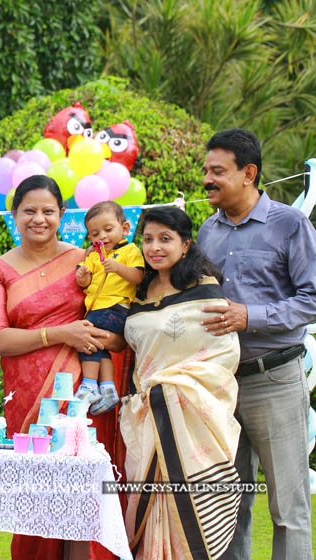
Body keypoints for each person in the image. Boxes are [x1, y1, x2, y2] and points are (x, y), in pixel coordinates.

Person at [0, 175, 125, 560]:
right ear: (13, 214)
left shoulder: (86, 262)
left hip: (85, 395)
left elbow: (117, 315)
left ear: (62, 214)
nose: (38, 219)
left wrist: (105, 339)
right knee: (35, 503)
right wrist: (60, 334)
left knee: (87, 500)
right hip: (30, 401)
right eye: (29, 211)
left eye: (48, 211)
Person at [197, 128, 316, 560]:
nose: (207, 179)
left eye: (217, 171)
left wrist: (252, 316)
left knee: (288, 507)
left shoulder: (290, 224)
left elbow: (313, 298)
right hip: (220, 385)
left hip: (275, 378)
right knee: (227, 507)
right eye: (206, 170)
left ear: (248, 173)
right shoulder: (206, 231)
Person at [121, 206, 241, 560]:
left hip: (191, 414)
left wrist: (170, 387)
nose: (154, 247)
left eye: (165, 239)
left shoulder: (204, 289)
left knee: (185, 507)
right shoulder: (138, 291)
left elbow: (223, 354)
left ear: (186, 244)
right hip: (146, 415)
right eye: (147, 239)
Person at [74, 200, 144, 414]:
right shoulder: (93, 255)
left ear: (125, 228)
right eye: (95, 234)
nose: (102, 237)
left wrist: (118, 268)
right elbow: (85, 282)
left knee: (87, 340)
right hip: (97, 308)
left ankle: (88, 384)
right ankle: (107, 388)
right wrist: (83, 277)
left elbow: (138, 276)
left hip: (115, 307)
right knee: (100, 347)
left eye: (108, 229)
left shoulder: (130, 250)